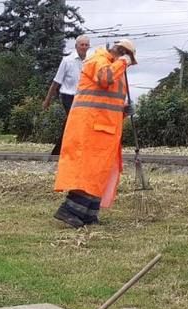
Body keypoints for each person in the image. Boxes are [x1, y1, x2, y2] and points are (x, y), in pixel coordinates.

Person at [53, 39, 137, 228]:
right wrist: (123, 62)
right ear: (121, 52)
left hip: (103, 128)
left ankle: (89, 214)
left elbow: (106, 101)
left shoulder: (114, 67)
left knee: (100, 172)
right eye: (129, 59)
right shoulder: (97, 60)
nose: (128, 64)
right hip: (90, 128)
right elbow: (104, 79)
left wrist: (123, 110)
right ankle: (70, 210)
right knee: (90, 171)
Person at [43, 35, 91, 156]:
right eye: (82, 44)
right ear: (76, 46)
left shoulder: (91, 61)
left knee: (72, 123)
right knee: (74, 121)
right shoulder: (67, 61)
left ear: (89, 46)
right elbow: (56, 82)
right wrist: (47, 100)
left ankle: (58, 151)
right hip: (68, 96)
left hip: (83, 97)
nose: (84, 47)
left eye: (86, 45)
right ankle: (65, 151)